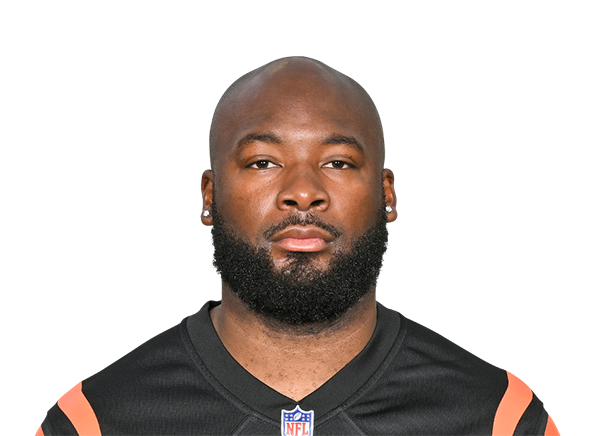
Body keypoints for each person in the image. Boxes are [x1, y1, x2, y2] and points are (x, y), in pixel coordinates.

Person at [38, 56, 558, 436]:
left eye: (338, 162)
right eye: (263, 162)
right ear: (210, 194)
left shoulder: (498, 418)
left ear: (387, 194)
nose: (303, 192)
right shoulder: (97, 421)